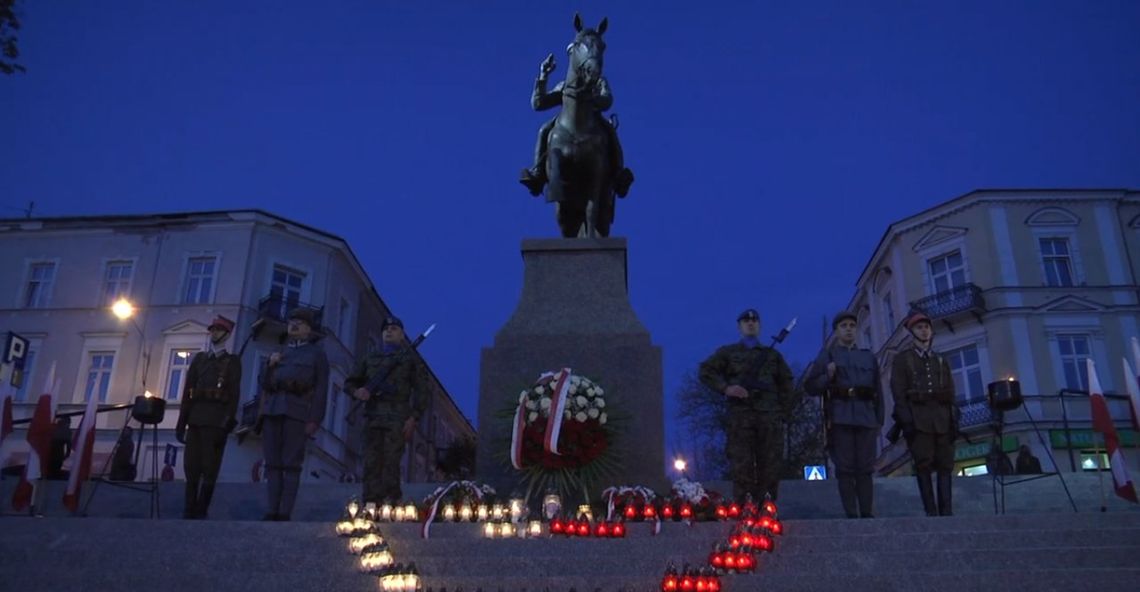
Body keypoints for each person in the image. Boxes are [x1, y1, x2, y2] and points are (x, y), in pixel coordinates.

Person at [699, 308, 797, 501]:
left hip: (769, 416)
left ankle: (767, 508)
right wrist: (726, 388)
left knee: (769, 464)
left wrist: (783, 413)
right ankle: (745, 510)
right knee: (741, 464)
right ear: (739, 327)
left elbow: (787, 384)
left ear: (759, 326)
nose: (750, 323)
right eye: (746, 321)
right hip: (740, 417)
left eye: (754, 321)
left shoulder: (772, 356)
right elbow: (706, 371)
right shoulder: (728, 353)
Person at [518, 50, 634, 198]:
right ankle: (538, 173)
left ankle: (619, 174)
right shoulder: (565, 86)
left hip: (593, 118)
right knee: (544, 130)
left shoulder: (599, 82)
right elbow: (538, 103)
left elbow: (607, 100)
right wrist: (543, 75)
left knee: (610, 132)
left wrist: (589, 99)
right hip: (564, 119)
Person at [806, 311, 883, 518]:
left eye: (851, 325)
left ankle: (866, 513)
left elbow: (878, 390)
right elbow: (810, 386)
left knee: (866, 468)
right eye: (844, 326)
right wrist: (827, 375)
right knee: (846, 468)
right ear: (837, 331)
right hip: (840, 417)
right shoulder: (828, 355)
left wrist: (879, 419)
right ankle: (851, 514)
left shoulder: (868, 356)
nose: (848, 329)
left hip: (866, 417)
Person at [344, 316, 428, 505]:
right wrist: (358, 392)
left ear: (402, 334)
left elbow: (423, 391)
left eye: (394, 328)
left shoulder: (410, 360)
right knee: (371, 464)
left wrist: (414, 418)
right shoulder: (370, 358)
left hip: (397, 419)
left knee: (391, 463)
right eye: (386, 329)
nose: (389, 331)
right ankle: (370, 506)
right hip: (372, 417)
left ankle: (391, 505)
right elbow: (350, 382)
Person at [257, 308, 328, 521]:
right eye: (291, 321)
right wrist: (269, 366)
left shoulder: (316, 354)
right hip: (273, 410)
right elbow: (264, 384)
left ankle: (284, 512)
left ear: (308, 329)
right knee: (272, 463)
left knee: (291, 464)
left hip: (297, 411)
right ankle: (272, 509)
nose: (294, 325)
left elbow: (321, 390)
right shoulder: (280, 352)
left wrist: (314, 419)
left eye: (299, 322)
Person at [175, 315, 242, 519]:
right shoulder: (200, 360)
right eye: (212, 330)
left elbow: (234, 395)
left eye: (219, 330)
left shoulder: (232, 362)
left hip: (215, 421)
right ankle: (189, 509)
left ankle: (202, 509)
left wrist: (226, 424)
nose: (214, 333)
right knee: (191, 467)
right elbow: (188, 391)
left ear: (227, 334)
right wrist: (181, 422)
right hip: (195, 418)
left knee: (209, 467)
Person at [890, 312, 957, 516]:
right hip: (918, 421)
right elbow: (898, 393)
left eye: (926, 327)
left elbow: (951, 392)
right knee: (923, 465)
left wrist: (953, 419)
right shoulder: (903, 360)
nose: (924, 330)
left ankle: (947, 512)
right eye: (919, 327)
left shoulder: (940, 360)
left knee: (945, 465)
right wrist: (907, 421)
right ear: (912, 332)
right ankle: (931, 512)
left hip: (942, 419)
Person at [49, 416, 73, 480]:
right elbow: (69, 444)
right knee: (55, 471)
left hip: (49, 452)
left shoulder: (53, 428)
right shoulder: (67, 431)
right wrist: (67, 454)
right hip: (58, 453)